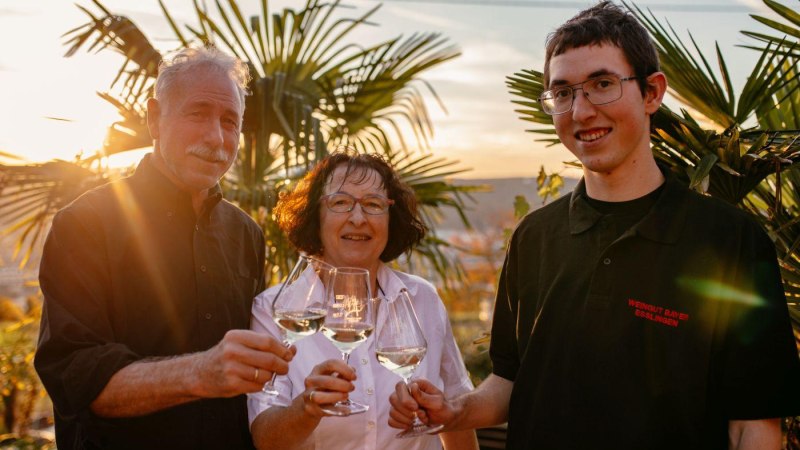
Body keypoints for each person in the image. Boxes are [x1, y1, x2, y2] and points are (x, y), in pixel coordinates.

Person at [388, 2, 800, 449]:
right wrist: (456, 410)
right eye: (563, 92)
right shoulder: (534, 236)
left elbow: (754, 425)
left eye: (602, 84)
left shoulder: (730, 241)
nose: (580, 111)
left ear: (651, 93)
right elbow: (509, 378)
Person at [34, 47, 294, 449]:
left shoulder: (246, 234)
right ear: (155, 118)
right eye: (198, 113)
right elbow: (75, 375)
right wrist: (201, 372)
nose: (216, 137)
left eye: (230, 121)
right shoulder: (85, 223)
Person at [247, 151, 478, 450]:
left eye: (373, 204)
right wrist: (307, 408)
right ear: (315, 215)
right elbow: (265, 437)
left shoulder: (423, 299)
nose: (358, 218)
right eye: (341, 202)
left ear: (391, 218)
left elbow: (456, 413)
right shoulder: (274, 310)